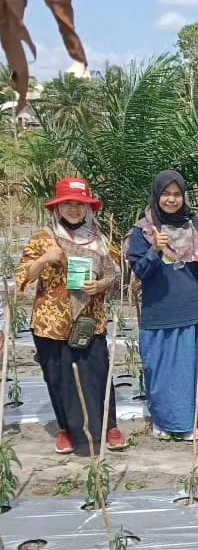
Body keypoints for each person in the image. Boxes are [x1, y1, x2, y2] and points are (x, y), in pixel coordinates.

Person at [16, 177, 126, 454]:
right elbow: (21, 277)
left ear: (89, 208)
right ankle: (66, 429)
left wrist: (100, 285)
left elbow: (114, 275)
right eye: (68, 204)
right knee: (58, 377)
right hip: (51, 322)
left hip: (90, 320)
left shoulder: (100, 239)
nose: (74, 210)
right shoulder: (44, 238)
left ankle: (109, 427)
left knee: (98, 373)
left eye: (80, 204)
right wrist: (44, 259)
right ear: (58, 207)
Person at [126, 170, 198, 440]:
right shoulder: (143, 230)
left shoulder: (194, 225)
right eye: (166, 194)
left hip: (194, 306)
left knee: (190, 368)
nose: (171, 200)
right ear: (156, 195)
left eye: (177, 194)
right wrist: (155, 250)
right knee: (162, 370)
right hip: (161, 309)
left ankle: (187, 419)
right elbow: (139, 272)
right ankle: (166, 421)